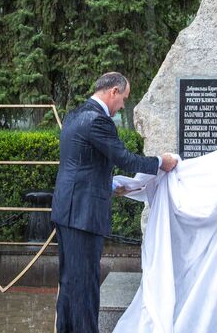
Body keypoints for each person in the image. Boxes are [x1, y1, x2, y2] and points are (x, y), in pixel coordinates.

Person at [51, 72, 178, 332]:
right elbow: (125, 159)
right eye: (123, 99)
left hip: (67, 211)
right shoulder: (98, 120)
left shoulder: (74, 115)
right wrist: (159, 162)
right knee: (85, 287)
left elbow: (82, 164)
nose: (122, 106)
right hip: (83, 216)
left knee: (69, 283)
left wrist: (111, 184)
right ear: (113, 92)